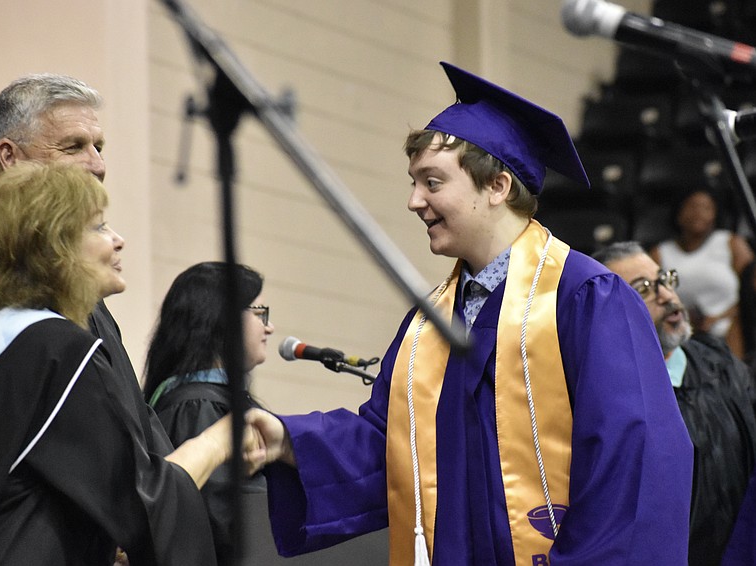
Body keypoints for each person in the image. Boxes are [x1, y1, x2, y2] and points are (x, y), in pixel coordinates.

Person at [244, 62, 693, 565]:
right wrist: (288, 441)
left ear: (498, 186)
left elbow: (635, 465)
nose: (414, 201)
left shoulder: (585, 298)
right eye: (414, 183)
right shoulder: (429, 324)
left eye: (432, 182)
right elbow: (390, 445)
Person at [0, 162, 262, 565]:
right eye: (99, 227)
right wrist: (220, 442)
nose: (118, 240)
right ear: (51, 246)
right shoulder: (55, 350)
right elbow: (145, 505)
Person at [0, 73, 174, 456]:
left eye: (99, 147)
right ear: (10, 157)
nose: (97, 166)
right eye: (73, 147)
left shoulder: (64, 276)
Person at [594, 241, 756, 566]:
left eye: (665, 281)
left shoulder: (717, 361)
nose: (667, 296)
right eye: (644, 289)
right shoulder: (606, 394)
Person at [143, 261, 274, 565]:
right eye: (257, 311)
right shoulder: (199, 406)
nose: (268, 326)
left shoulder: (197, 400)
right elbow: (225, 524)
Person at [649, 188, 755, 359]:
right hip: (681, 333)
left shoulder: (731, 243)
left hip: (732, 329)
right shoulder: (660, 253)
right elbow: (652, 299)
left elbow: (751, 293)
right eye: (692, 206)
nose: (698, 213)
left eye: (706, 208)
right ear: (678, 213)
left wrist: (718, 318)